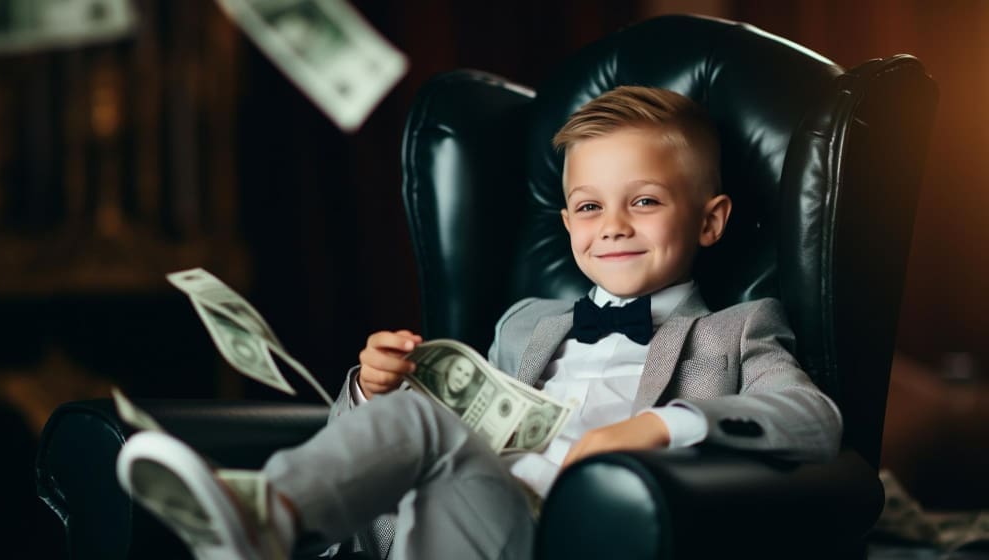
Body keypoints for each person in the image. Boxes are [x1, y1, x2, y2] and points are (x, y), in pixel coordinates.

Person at [116, 86, 843, 560]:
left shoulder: (739, 329)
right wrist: (373, 393)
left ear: (711, 221)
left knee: (433, 435)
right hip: (460, 526)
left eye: (645, 201)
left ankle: (263, 519)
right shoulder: (525, 325)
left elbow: (813, 418)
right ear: (566, 224)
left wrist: (656, 427)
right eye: (590, 207)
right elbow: (404, 446)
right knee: (419, 423)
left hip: (572, 539)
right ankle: (269, 515)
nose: (613, 226)